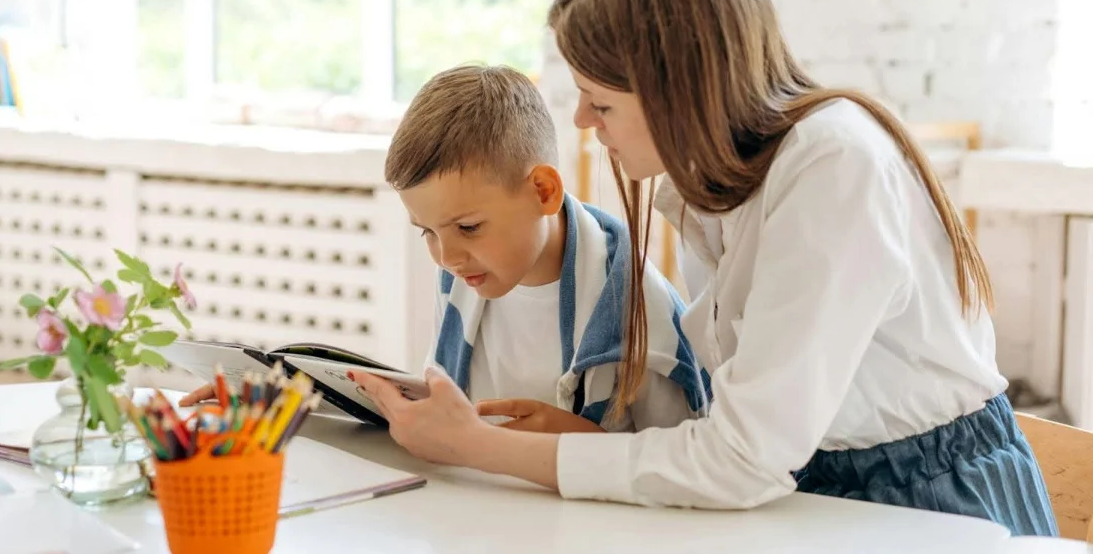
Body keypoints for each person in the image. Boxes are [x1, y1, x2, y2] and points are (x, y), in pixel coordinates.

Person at [350, 0, 1058, 537]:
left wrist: (479, 446)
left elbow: (742, 457)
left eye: (600, 102)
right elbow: (737, 437)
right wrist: (583, 445)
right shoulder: (710, 192)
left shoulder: (833, 166)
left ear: (677, 88)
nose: (583, 126)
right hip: (809, 496)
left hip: (925, 505)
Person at [184, 64, 712, 435]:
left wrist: (585, 448)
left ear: (543, 192)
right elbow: (446, 416)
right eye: (427, 233)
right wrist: (283, 400)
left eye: (468, 227)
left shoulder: (639, 307)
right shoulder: (467, 277)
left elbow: (689, 462)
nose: (446, 257)